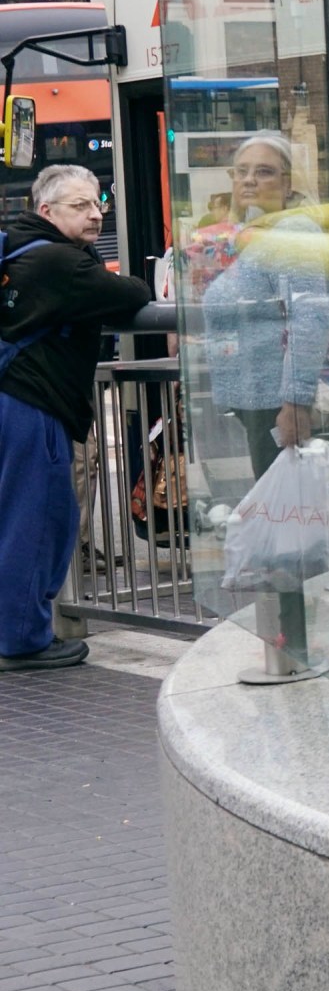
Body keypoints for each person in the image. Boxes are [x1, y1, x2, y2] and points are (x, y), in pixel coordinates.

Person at [0, 165, 152, 669]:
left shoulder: (17, 246)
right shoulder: (60, 263)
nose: (95, 215)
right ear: (46, 211)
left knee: (26, 516)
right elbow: (132, 293)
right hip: (31, 405)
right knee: (36, 520)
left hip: (13, 396)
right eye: (80, 206)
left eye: (98, 204)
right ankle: (22, 641)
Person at [199, 132, 329, 661]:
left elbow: (310, 314)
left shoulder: (292, 229)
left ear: (289, 181)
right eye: (241, 171)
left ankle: (293, 642)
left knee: (285, 531)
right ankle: (288, 638)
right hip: (257, 398)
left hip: (276, 403)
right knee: (279, 527)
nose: (249, 179)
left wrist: (295, 398)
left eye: (264, 171)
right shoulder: (253, 234)